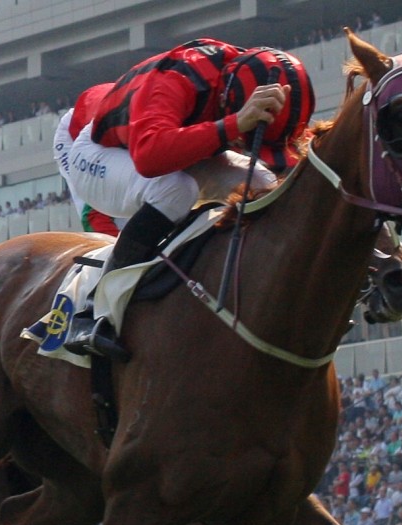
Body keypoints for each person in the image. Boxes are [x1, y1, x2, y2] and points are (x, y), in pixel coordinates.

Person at [61, 39, 315, 360]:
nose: (243, 146)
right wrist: (235, 125)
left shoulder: (254, 78)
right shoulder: (175, 79)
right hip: (102, 153)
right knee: (175, 189)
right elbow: (150, 158)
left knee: (262, 182)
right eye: (244, 140)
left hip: (169, 143)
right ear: (227, 101)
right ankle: (93, 309)